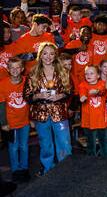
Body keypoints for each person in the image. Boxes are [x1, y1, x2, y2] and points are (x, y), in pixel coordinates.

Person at [23, 43, 71, 176]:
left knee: (64, 143)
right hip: (40, 114)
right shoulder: (33, 73)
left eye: (51, 53)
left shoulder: (63, 71)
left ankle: (66, 170)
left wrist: (60, 96)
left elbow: (69, 90)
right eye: (45, 53)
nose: (48, 57)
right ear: (40, 55)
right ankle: (48, 170)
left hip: (59, 112)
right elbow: (26, 95)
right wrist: (38, 95)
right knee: (46, 144)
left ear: (55, 55)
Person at [0, 57, 30, 182]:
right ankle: (15, 169)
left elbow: (31, 101)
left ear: (22, 69)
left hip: (25, 121)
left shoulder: (27, 81)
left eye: (18, 67)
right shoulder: (3, 84)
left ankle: (24, 168)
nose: (15, 70)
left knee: (24, 146)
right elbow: (0, 105)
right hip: (11, 123)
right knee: (13, 147)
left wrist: (32, 119)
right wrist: (3, 123)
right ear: (8, 69)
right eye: (12, 68)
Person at [79, 65, 107, 157]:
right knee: (90, 145)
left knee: (103, 143)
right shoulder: (83, 85)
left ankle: (105, 162)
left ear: (98, 75)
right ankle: (90, 164)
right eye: (86, 73)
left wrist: (96, 91)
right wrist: (82, 97)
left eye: (91, 73)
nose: (88, 75)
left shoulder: (102, 83)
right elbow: (82, 93)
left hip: (101, 121)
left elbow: (103, 91)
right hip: (88, 121)